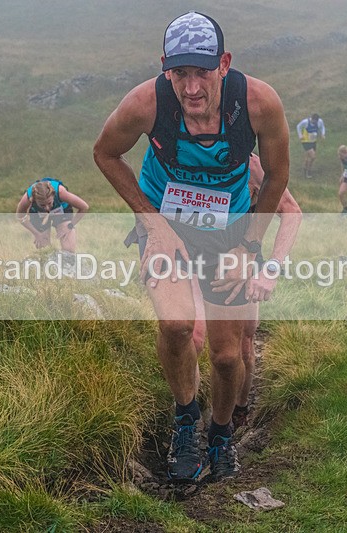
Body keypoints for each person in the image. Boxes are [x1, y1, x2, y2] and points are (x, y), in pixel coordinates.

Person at [93, 11, 289, 483]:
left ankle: (220, 433)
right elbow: (104, 152)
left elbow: (278, 176)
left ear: (224, 63)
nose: (192, 87)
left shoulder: (259, 103)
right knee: (177, 324)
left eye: (201, 71)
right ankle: (186, 422)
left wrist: (249, 246)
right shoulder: (145, 103)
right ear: (165, 68)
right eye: (180, 73)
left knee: (226, 356)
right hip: (168, 228)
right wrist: (151, 221)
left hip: (230, 234)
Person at [191, 153, 302, 429]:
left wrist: (271, 270)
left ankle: (237, 413)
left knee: (244, 342)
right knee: (193, 337)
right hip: (194, 255)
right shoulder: (182, 158)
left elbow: (292, 212)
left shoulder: (252, 166)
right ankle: (188, 420)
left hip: (244, 256)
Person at [15, 177, 89, 252]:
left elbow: (84, 207)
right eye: (42, 205)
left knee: (68, 248)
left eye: (49, 203)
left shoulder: (61, 192)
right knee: (44, 247)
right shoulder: (28, 198)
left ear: (53, 195)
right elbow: (20, 216)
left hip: (61, 210)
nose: (47, 208)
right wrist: (36, 233)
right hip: (38, 214)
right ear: (34, 200)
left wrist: (70, 225)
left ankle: (67, 262)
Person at [295, 113, 325, 179]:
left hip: (313, 141)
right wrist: (300, 135)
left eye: (316, 122)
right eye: (313, 121)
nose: (314, 123)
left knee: (308, 157)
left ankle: (305, 169)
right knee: (313, 156)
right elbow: (298, 126)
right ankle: (309, 171)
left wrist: (323, 134)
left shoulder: (319, 121)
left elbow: (322, 127)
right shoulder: (305, 122)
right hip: (306, 141)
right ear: (312, 118)